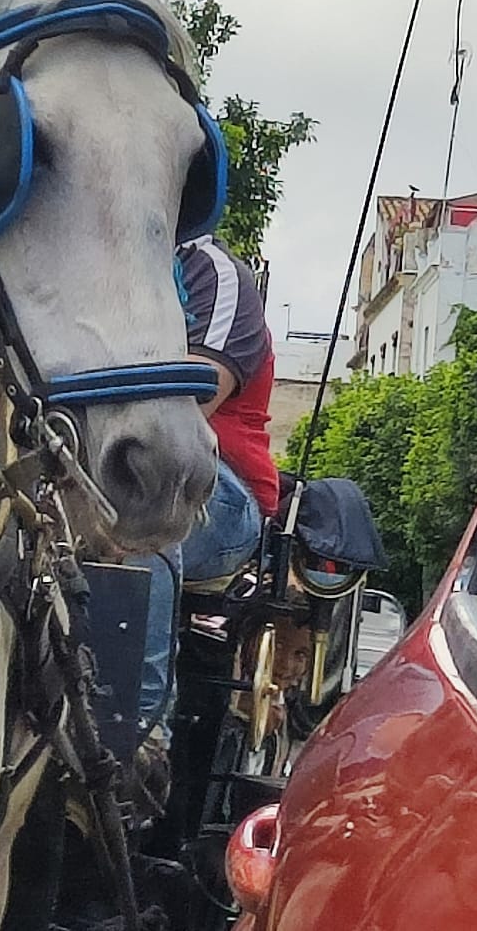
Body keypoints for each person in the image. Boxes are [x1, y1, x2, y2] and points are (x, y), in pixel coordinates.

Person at [137, 236, 277, 741]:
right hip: (99, 466)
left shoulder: (212, 273)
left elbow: (188, 407)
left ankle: (142, 729)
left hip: (228, 490)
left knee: (146, 497)